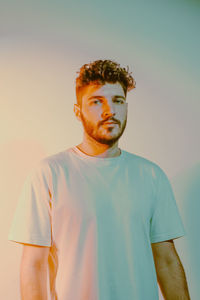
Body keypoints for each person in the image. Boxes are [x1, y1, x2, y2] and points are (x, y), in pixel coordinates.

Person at [8, 59, 190, 300]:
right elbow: (34, 265)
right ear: (77, 111)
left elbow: (166, 261)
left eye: (118, 101)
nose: (110, 111)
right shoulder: (50, 173)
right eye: (97, 102)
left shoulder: (151, 175)